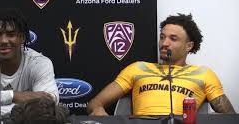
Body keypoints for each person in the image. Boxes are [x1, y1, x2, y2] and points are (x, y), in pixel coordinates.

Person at [87, 13, 236, 116]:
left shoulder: (204, 74)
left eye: (173, 38)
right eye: (162, 37)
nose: (164, 43)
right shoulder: (138, 68)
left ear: (188, 46)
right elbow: (94, 103)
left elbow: (229, 117)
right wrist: (98, 110)